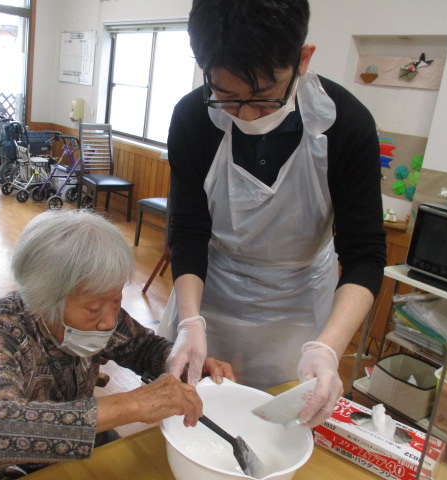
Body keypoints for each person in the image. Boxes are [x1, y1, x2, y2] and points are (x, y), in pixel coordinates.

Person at [158, 0, 386, 428]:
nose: (245, 115)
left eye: (263, 98)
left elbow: (365, 254)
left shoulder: (345, 124)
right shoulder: (193, 117)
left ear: (302, 59)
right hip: (211, 290)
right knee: (195, 410)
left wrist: (328, 348)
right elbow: (188, 230)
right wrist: (190, 319)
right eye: (226, 97)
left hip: (297, 303)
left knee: (278, 422)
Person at [0, 209, 234, 472]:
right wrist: (132, 405)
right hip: (1, 468)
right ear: (47, 301)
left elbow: (143, 347)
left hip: (73, 450)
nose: (109, 320)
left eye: (116, 300)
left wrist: (181, 362)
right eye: (94, 308)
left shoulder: (103, 313)